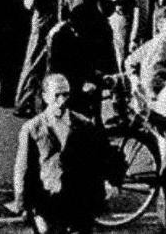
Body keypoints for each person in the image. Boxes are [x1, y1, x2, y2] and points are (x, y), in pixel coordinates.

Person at [10, 74, 112, 234]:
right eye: (56, 95)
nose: (62, 100)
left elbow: (96, 164)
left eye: (66, 94)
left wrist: (99, 197)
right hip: (47, 203)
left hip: (78, 202)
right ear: (45, 96)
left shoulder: (84, 125)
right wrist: (24, 206)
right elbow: (23, 169)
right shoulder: (33, 128)